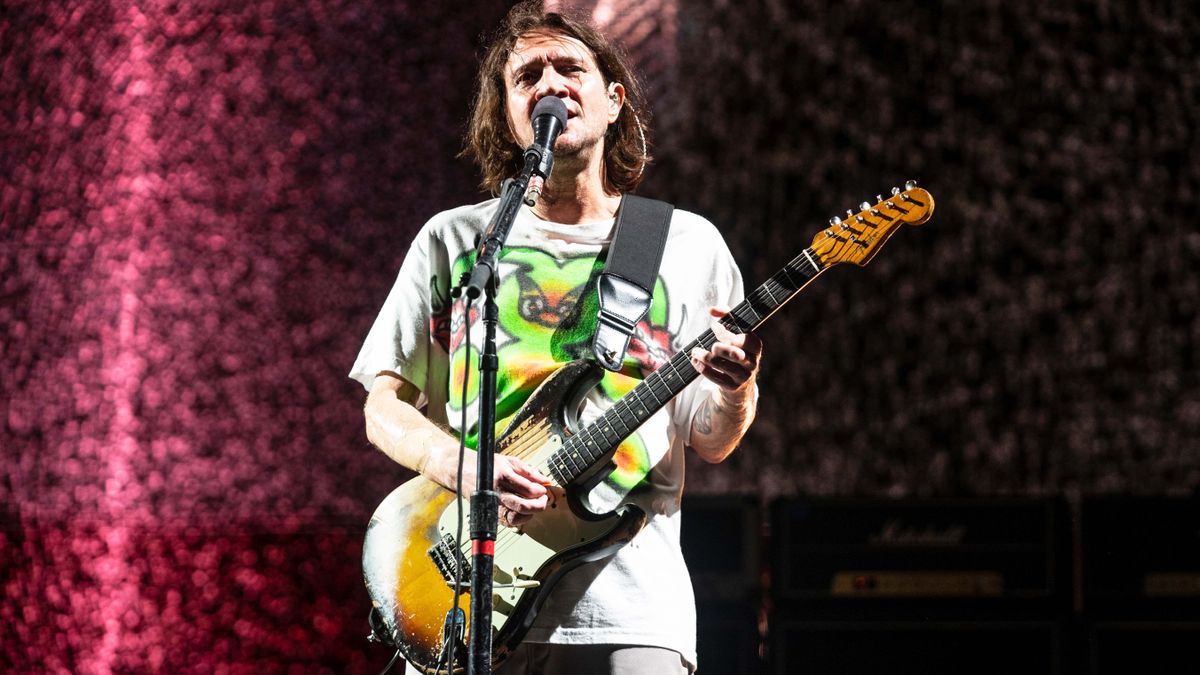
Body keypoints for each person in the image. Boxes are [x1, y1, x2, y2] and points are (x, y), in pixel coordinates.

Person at [350, 3, 761, 673]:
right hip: (462, 596)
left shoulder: (686, 245)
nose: (550, 84)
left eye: (570, 68)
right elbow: (383, 406)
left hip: (629, 614)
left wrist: (737, 388)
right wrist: (461, 467)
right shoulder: (456, 240)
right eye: (528, 75)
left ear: (612, 102)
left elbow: (712, 439)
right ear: (509, 112)